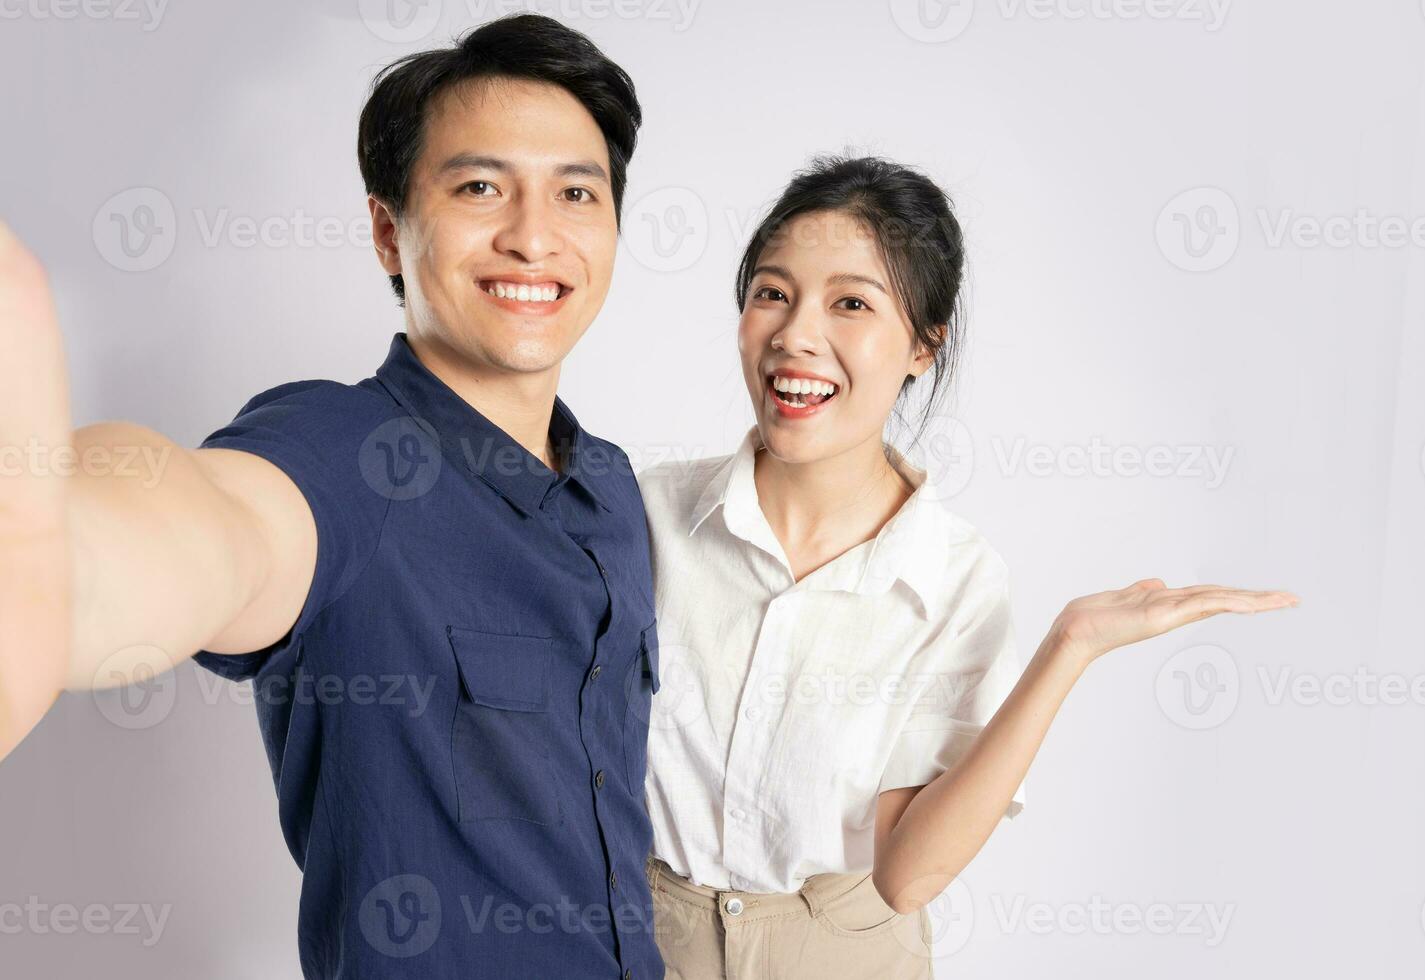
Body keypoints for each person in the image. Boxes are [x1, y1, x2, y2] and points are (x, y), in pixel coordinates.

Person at [0, 15, 666, 980]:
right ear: (389, 230)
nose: (533, 236)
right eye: (480, 187)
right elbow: (204, 528)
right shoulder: (346, 453)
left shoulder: (609, 487)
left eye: (575, 192)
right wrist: (49, 556)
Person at [633, 155, 1298, 979]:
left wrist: (1070, 647)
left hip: (845, 957)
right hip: (637, 942)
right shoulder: (645, 517)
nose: (796, 335)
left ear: (921, 345)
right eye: (772, 293)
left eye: (850, 303)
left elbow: (907, 873)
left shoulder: (951, 579)